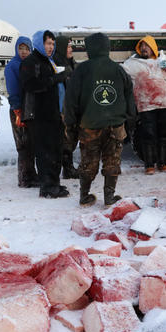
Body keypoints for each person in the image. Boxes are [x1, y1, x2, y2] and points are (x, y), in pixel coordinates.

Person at [63, 32, 136, 206]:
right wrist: (129, 121)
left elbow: (70, 101)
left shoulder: (81, 70)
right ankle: (109, 197)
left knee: (89, 163)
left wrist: (71, 124)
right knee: (112, 162)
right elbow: (129, 98)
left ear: (90, 49)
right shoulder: (119, 69)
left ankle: (84, 196)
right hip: (115, 126)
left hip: (89, 126)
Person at [20, 30, 71, 198]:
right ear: (39, 43)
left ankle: (54, 183)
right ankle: (47, 187)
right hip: (40, 114)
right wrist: (54, 79)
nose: (51, 47)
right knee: (45, 151)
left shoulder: (50, 61)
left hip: (54, 113)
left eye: (52, 44)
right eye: (48, 43)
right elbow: (31, 85)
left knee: (56, 149)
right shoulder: (31, 62)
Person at [123, 35, 166, 175]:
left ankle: (163, 162)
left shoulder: (164, 60)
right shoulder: (132, 63)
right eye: (142, 46)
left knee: (164, 134)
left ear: (153, 47)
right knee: (148, 135)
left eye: (147, 46)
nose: (144, 48)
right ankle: (149, 164)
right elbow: (121, 74)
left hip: (165, 104)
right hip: (146, 105)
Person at [4, 35, 37, 187]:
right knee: (23, 145)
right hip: (18, 110)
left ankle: (31, 174)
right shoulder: (12, 66)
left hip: (30, 108)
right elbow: (12, 90)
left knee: (31, 144)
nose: (23, 52)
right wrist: (17, 109)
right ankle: (24, 178)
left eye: (26, 49)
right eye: (20, 49)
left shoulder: (30, 64)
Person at [53, 34, 80, 179]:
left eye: (71, 46)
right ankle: (67, 169)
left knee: (70, 139)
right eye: (68, 46)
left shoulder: (70, 62)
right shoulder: (58, 64)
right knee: (65, 140)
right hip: (62, 109)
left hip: (71, 107)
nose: (71, 49)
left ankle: (68, 168)